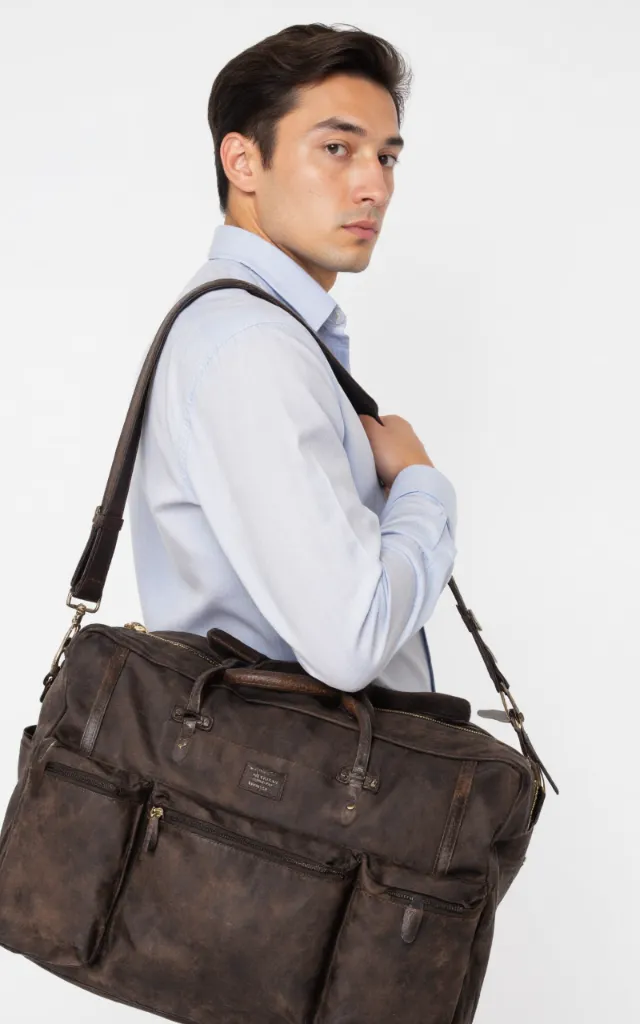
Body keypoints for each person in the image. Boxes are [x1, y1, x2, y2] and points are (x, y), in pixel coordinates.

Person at [129, 22, 458, 694]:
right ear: (244, 162)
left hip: (263, 782)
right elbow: (350, 644)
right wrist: (423, 486)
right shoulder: (251, 348)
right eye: (337, 148)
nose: (375, 187)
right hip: (287, 791)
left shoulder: (239, 329)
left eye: (386, 157)